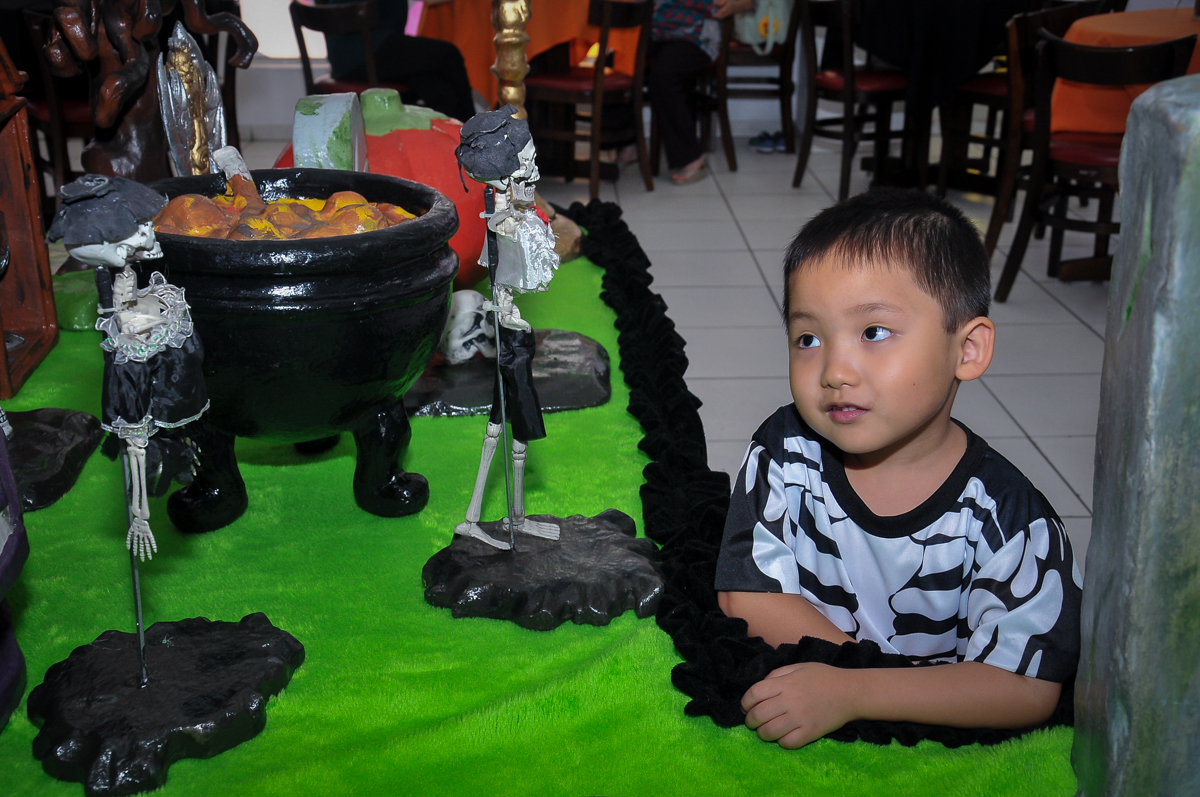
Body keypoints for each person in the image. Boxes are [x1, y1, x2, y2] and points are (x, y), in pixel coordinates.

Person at [715, 189, 1083, 749]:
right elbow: (747, 596)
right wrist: (839, 685)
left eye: (873, 332)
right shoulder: (785, 450)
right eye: (808, 339)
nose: (835, 370)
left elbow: (1027, 688)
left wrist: (855, 690)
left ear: (967, 350)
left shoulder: (1013, 524)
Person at [647, 0, 754, 184]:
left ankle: (692, 158)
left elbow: (749, 3)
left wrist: (738, 4)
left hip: (697, 35)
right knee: (615, 57)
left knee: (663, 74)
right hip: (655, 31)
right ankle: (625, 144)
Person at [323, 0, 475, 123]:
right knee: (448, 55)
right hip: (363, 52)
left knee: (441, 91)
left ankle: (446, 145)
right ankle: (476, 138)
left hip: (351, 54)